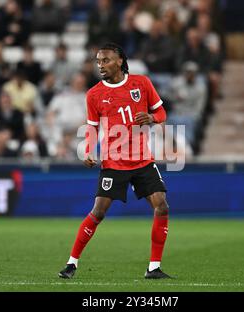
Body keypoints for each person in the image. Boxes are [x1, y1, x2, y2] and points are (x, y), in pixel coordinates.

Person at [58, 43, 171, 279]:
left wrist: (150, 117)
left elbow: (161, 114)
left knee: (162, 205)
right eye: (98, 62)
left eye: (106, 60)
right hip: (114, 162)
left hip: (143, 160)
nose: (101, 65)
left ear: (119, 61)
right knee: (98, 212)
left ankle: (154, 268)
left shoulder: (142, 83)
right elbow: (92, 127)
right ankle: (71, 263)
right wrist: (88, 150)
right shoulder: (94, 94)